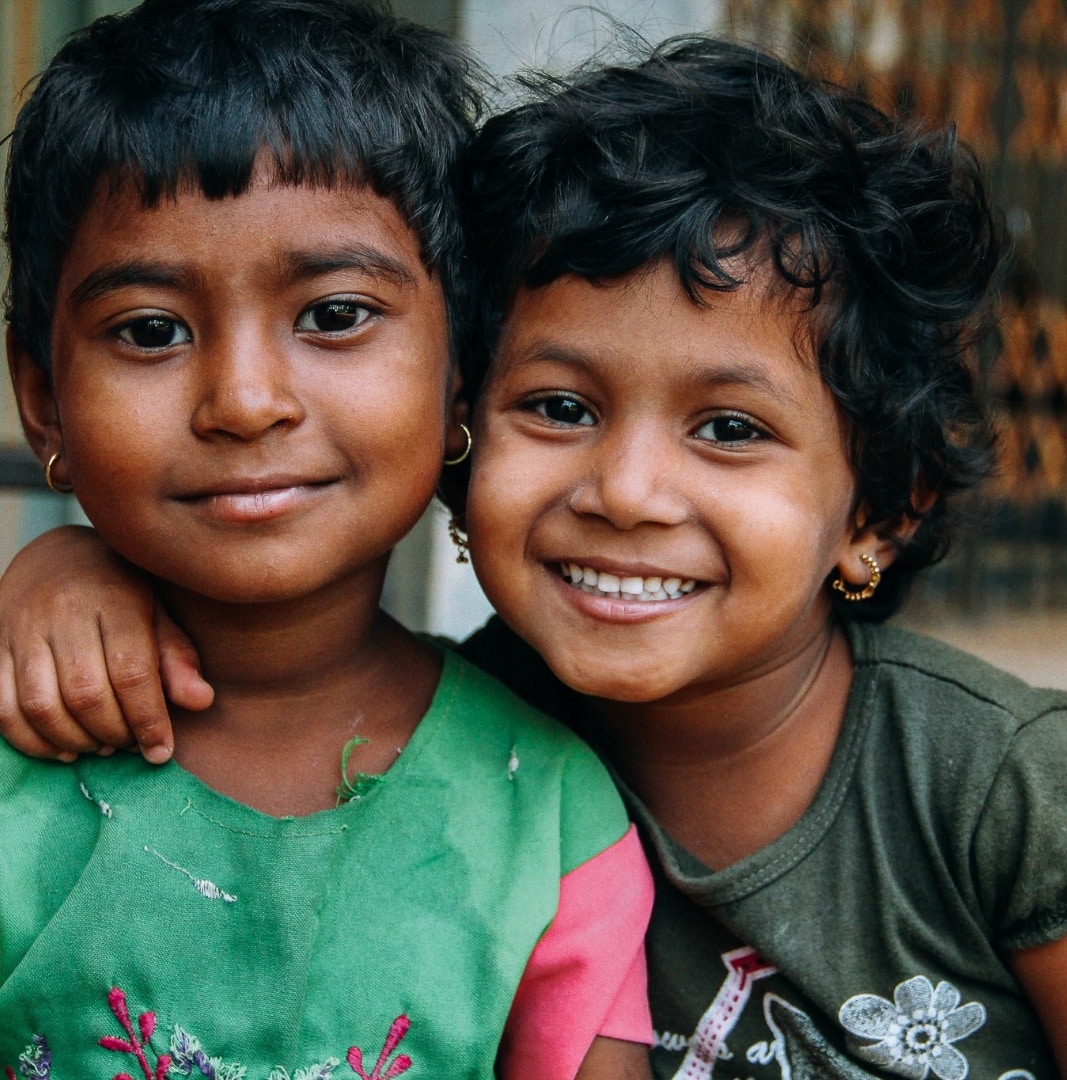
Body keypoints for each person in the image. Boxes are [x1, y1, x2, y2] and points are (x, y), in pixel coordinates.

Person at [3, 32, 1067, 1078]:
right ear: (464, 420)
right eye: (561, 407)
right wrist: (62, 570)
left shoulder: (1001, 793)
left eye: (730, 429)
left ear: (882, 507)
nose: (624, 492)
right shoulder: (478, 743)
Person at [0, 3, 657, 1078]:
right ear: (44, 403)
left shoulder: (541, 817)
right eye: (151, 330)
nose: (245, 401)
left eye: (336, 314)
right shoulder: (17, 764)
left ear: (460, 375)